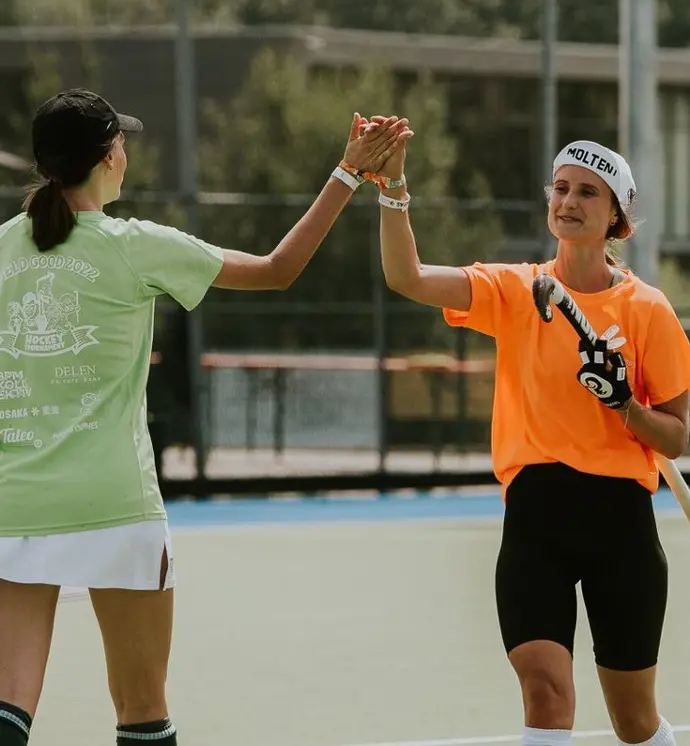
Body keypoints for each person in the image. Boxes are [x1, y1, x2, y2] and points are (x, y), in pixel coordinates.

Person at [0, 88, 411, 746]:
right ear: (111, 157)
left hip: (15, 505)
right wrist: (347, 174)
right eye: (122, 143)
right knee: (142, 709)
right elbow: (279, 269)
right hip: (114, 505)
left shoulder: (3, 250)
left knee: (8, 706)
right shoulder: (134, 245)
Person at [375, 131, 690, 746]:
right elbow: (406, 276)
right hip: (535, 521)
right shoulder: (514, 289)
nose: (568, 201)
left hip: (621, 525)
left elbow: (675, 438)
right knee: (546, 692)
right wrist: (393, 189)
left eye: (587, 193)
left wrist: (624, 402)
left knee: (633, 722)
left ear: (616, 218)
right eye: (562, 188)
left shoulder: (649, 311)